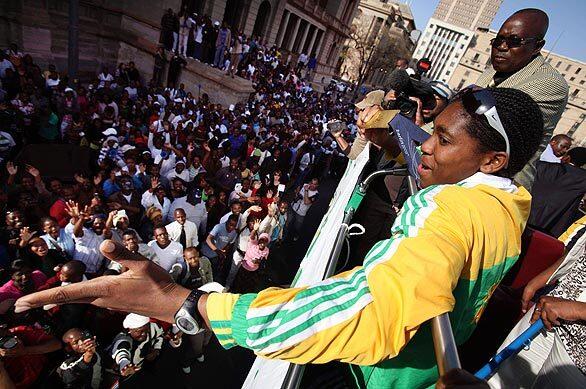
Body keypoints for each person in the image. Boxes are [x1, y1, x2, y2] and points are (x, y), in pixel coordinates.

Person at [16, 87, 547, 388]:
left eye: (444, 139)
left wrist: (192, 304)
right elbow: (412, 146)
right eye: (431, 130)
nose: (426, 147)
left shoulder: (445, 205)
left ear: (493, 160)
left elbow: (371, 309)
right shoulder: (505, 211)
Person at [476, 8, 568, 190]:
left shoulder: (550, 83)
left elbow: (481, 126)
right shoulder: (490, 73)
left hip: (501, 184)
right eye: (498, 40)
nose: (502, 47)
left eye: (514, 41)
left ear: (537, 47)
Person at [489, 230, 586, 388]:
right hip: (548, 311)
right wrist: (540, 280)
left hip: (578, 352)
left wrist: (578, 309)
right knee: (498, 380)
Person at [528, 146, 586, 237]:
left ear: (567, 157)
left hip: (526, 214)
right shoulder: (582, 179)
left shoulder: (543, 166)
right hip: (550, 226)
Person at [111, 313, 164, 380]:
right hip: (120, 373)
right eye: (138, 331)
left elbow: (159, 336)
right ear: (130, 330)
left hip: (140, 368)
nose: (144, 334)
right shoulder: (124, 339)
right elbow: (121, 353)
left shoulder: (153, 327)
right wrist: (124, 365)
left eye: (146, 329)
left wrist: (156, 349)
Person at [201, 214, 238, 282]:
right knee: (202, 271)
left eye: (234, 226)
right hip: (206, 253)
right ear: (227, 222)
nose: (231, 227)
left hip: (216, 256)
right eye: (230, 224)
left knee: (212, 272)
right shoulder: (218, 227)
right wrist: (217, 250)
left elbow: (229, 244)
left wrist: (224, 252)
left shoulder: (234, 233)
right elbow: (208, 239)